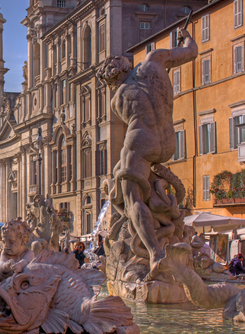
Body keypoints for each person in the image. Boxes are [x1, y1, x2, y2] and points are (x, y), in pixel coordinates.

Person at [96, 28, 198, 281]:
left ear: (111, 80)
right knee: (122, 172)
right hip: (167, 142)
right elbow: (192, 52)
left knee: (131, 198)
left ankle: (154, 252)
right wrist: (186, 37)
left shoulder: (117, 98)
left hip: (141, 140)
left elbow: (134, 118)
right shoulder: (155, 60)